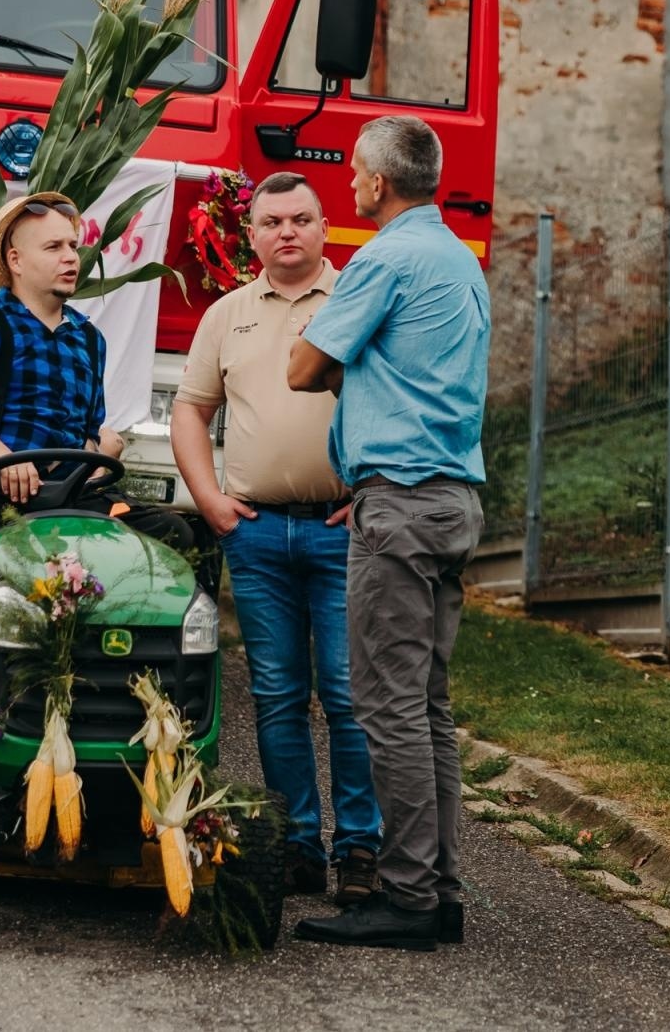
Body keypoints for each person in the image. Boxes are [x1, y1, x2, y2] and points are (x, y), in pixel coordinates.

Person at [286, 115, 488, 952]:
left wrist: (345, 355)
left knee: (387, 706)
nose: (348, 186)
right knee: (428, 705)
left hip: (399, 505)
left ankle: (405, 896)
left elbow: (304, 366)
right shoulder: (458, 260)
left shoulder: (384, 257)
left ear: (377, 179)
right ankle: (439, 888)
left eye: (354, 173)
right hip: (449, 499)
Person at [0, 192, 192, 735]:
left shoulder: (87, 338)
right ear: (15, 259)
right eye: (54, 246)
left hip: (66, 487)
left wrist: (105, 450)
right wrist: (2, 457)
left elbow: (91, 429)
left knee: (168, 536)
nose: (71, 256)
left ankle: (133, 690)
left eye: (73, 245)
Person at [171, 171, 382, 905]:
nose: (286, 232)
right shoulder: (228, 314)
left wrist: (373, 492)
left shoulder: (361, 301)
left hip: (341, 530)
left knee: (351, 695)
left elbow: (397, 402)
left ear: (326, 229)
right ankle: (295, 844)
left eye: (301, 219)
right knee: (277, 694)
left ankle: (360, 848)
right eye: (272, 222)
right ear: (252, 235)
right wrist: (210, 500)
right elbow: (191, 412)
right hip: (256, 535)